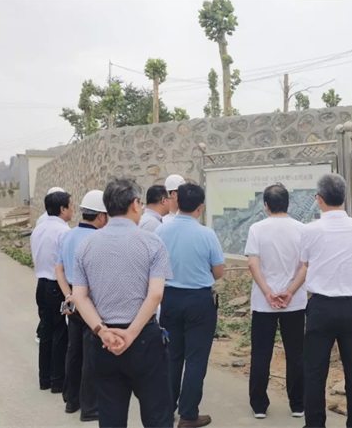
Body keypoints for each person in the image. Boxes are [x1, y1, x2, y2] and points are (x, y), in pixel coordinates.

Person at [71, 177, 174, 428]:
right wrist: (130, 334)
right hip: (144, 339)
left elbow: (79, 296)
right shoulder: (152, 243)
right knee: (157, 417)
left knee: (111, 417)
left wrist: (102, 331)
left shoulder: (86, 245)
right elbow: (155, 294)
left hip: (103, 342)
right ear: (135, 204)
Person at [299, 173, 352, 428]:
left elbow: (306, 262)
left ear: (319, 199)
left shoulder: (310, 230)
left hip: (321, 307)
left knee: (314, 372)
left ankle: (315, 424)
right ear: (344, 197)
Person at [156, 183, 225, 428]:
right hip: (199, 301)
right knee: (196, 359)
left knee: (172, 356)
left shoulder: (160, 231)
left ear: (176, 202)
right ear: (200, 207)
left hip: (169, 299)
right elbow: (218, 271)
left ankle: (167, 409)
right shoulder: (207, 234)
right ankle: (188, 414)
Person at [244, 183, 307, 419]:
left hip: (264, 303)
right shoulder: (302, 229)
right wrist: (289, 291)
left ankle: (259, 405)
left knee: (261, 353)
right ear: (288, 203)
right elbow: (305, 266)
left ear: (265, 205)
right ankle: (298, 404)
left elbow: (253, 264)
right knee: (296, 354)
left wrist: (268, 292)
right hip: (295, 301)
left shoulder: (257, 229)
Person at [55, 190, 108, 421]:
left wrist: (69, 295)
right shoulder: (98, 240)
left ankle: (71, 400)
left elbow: (59, 269)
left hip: (73, 298)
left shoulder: (68, 235)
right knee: (91, 354)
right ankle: (90, 407)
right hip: (91, 301)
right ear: (101, 216)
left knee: (74, 350)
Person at [30, 190, 73, 393]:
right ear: (63, 209)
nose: (72, 209)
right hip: (58, 287)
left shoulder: (38, 229)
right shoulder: (64, 232)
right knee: (60, 333)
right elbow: (66, 265)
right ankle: (57, 381)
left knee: (46, 331)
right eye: (71, 206)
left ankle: (44, 379)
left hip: (41, 285)